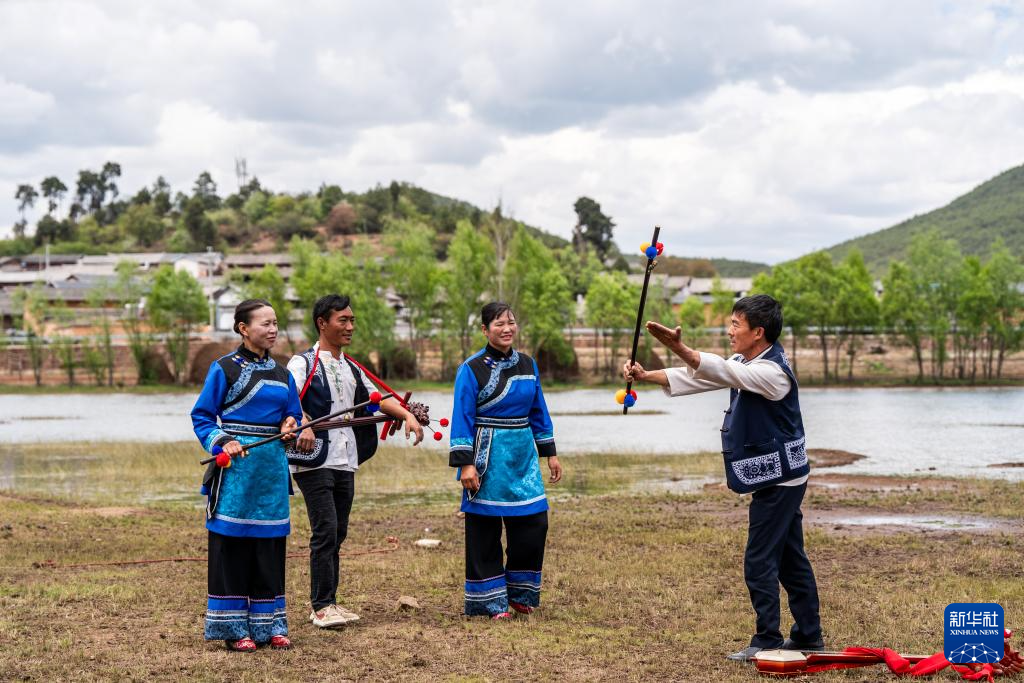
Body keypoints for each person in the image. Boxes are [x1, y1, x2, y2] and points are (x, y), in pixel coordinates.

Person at [623, 294, 823, 662]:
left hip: (781, 479)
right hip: (781, 475)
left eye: (735, 324)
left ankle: (767, 639)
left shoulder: (772, 371)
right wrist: (647, 375)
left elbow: (721, 370)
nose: (729, 330)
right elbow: (701, 376)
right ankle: (808, 636)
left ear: (758, 332)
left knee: (759, 559)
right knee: (791, 558)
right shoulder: (748, 360)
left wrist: (680, 346)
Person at [286, 293, 424, 629]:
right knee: (326, 529)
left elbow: (378, 401)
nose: (350, 326)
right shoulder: (302, 363)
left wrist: (406, 414)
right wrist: (301, 421)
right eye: (342, 320)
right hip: (313, 459)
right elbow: (287, 401)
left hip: (346, 459)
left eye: (352, 320)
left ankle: (330, 602)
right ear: (323, 323)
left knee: (339, 530)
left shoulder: (352, 367)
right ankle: (321, 607)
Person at [191, 298, 310, 652]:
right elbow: (202, 417)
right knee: (234, 545)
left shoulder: (283, 373)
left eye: (275, 323)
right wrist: (223, 441)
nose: (273, 330)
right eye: (265, 324)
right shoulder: (223, 368)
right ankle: (233, 628)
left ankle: (269, 624)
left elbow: (294, 415)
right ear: (243, 328)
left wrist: (291, 424)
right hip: (236, 470)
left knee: (269, 546)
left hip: (271, 470)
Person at [449, 302, 563, 619]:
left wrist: (550, 453)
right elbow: (462, 417)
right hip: (487, 456)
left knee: (534, 523)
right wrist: (466, 464)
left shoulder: (528, 364)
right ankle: (490, 601)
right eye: (499, 323)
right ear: (485, 330)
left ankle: (519, 593)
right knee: (484, 530)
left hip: (522, 455)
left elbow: (539, 409)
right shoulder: (470, 369)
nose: (507, 328)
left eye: (511, 322)